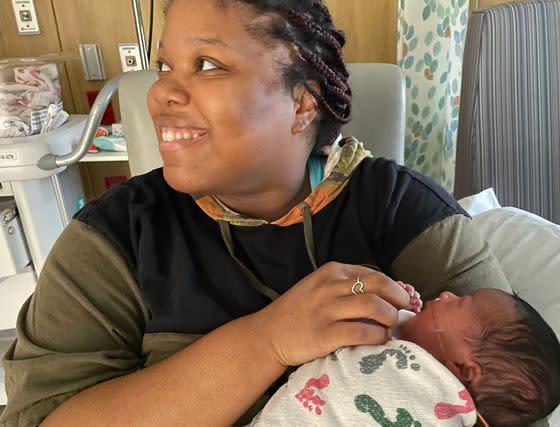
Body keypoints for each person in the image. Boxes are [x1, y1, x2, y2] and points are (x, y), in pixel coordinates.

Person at [0, 1, 517, 426]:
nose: (161, 94)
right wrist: (269, 338)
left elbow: (512, 399)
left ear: (302, 105)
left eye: (207, 64)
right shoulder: (112, 241)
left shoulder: (406, 214)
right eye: (165, 66)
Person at [251, 288, 560, 427]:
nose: (447, 294)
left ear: (466, 369)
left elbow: (354, 302)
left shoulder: (431, 397)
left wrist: (377, 301)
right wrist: (392, 298)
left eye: (461, 302)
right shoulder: (400, 335)